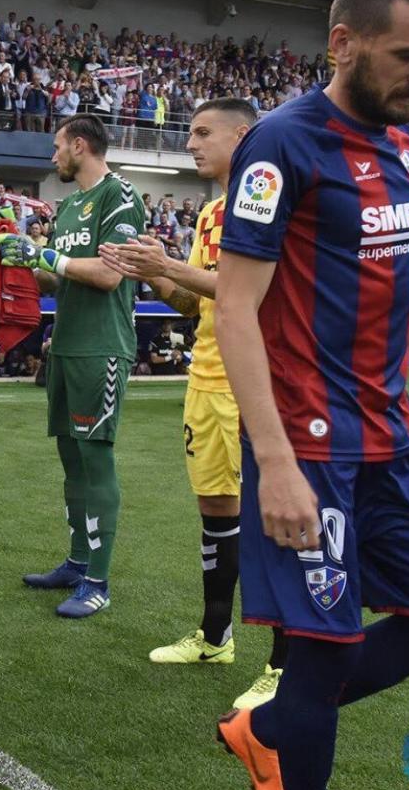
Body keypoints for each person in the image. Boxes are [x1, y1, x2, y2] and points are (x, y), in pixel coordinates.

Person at [211, 0, 409, 790]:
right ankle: (291, 742)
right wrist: (276, 463)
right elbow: (236, 309)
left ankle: (273, 723)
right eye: (408, 56)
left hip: (390, 437)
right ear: (344, 43)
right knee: (323, 649)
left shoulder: (401, 143)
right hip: (309, 447)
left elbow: (406, 281)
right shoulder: (281, 146)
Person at [99, 97, 289, 712]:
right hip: (205, 378)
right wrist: (149, 273)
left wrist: (169, 263)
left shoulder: (266, 199)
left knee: (273, 517)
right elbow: (198, 303)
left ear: (244, 136)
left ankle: (285, 664)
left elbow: (251, 290)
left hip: (257, 379)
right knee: (216, 508)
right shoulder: (209, 212)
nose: (192, 143)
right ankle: (215, 636)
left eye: (204, 133)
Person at [0, 113, 146, 619]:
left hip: (102, 348)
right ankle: (78, 561)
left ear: (80, 145)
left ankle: (98, 582)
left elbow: (108, 273)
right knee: (70, 459)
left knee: (95, 458)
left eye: (57, 146)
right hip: (66, 345)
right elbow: (59, 280)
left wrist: (47, 256)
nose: (52, 155)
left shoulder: (118, 196)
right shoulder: (71, 204)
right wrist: (25, 259)